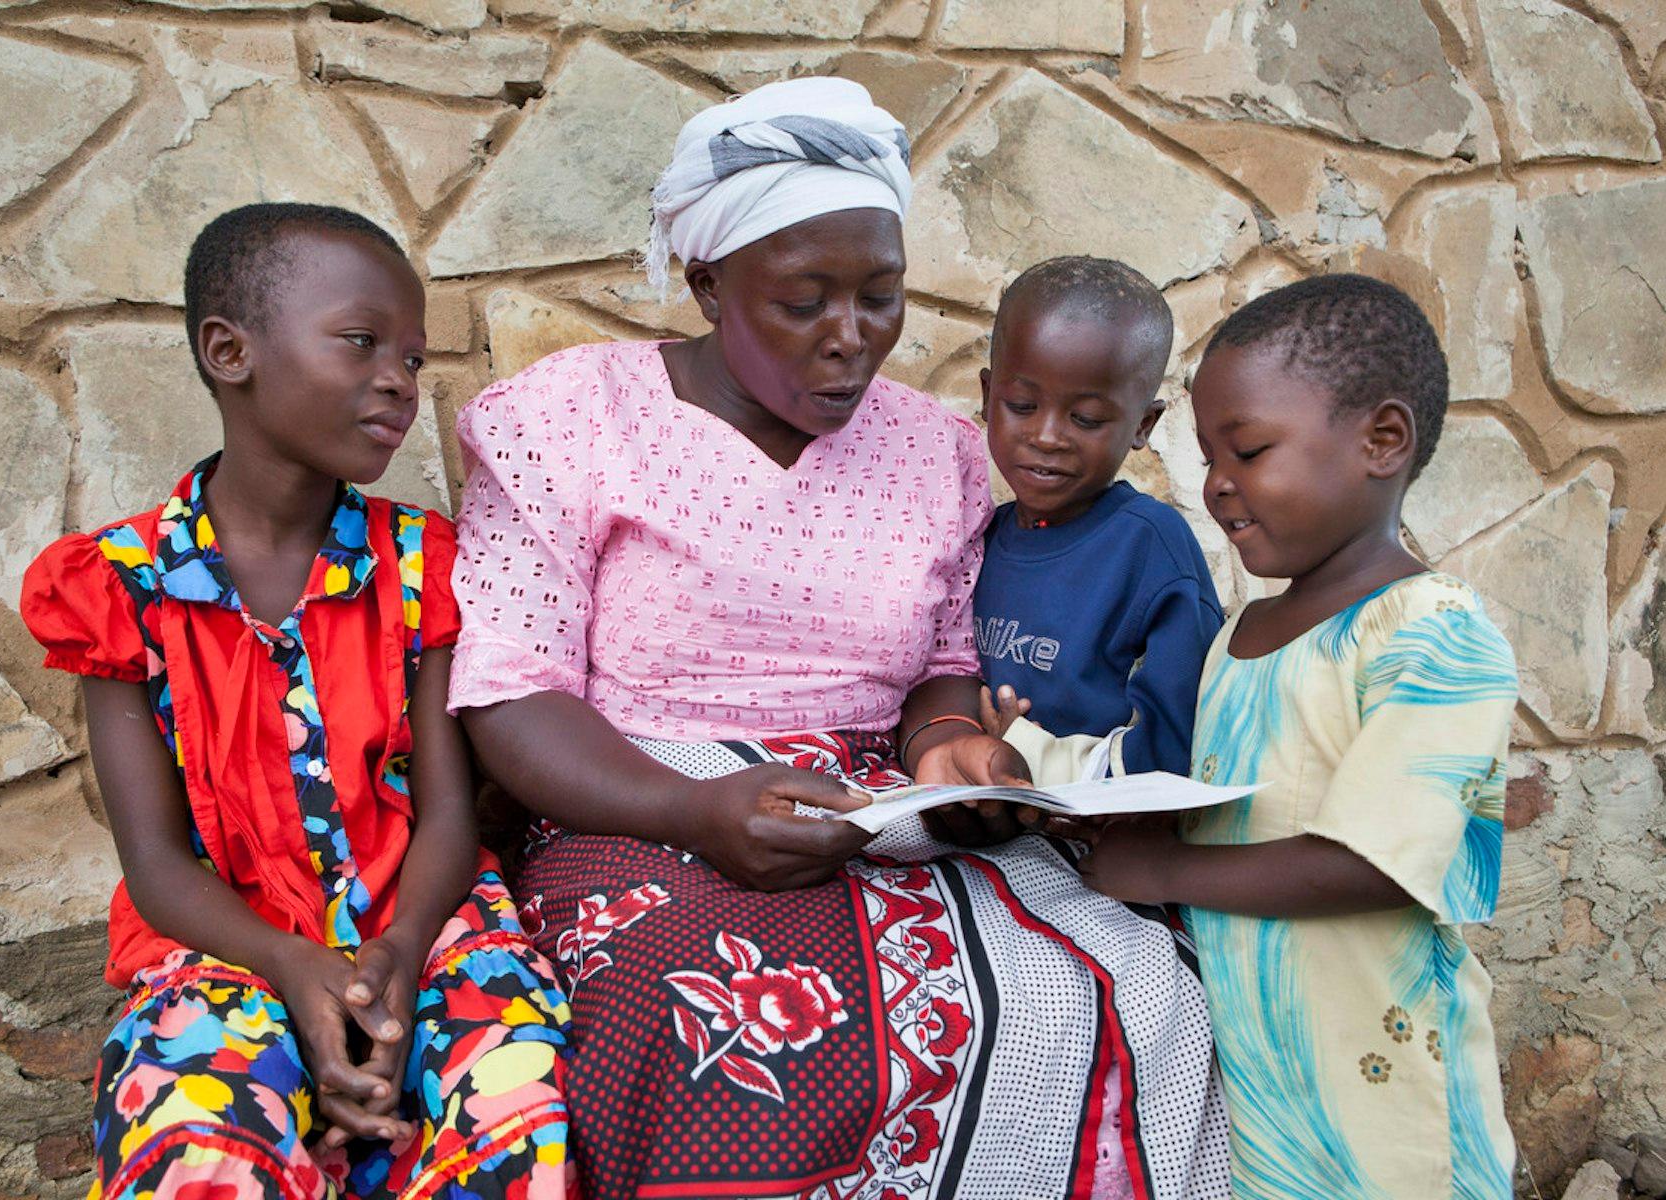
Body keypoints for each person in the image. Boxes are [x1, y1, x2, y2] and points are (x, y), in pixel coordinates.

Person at [449, 78, 1229, 1200]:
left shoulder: (937, 449)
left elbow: (943, 668)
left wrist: (949, 746)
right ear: (710, 282)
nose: (851, 339)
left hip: (879, 812)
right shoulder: (568, 420)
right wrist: (694, 810)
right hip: (634, 804)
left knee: (1128, 980)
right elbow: (511, 701)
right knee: (723, 1025)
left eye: (881, 296)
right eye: (805, 300)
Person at [20, 203, 574, 1200]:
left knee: (510, 1103)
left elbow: (448, 813)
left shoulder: (421, 565)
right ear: (231, 352)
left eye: (411, 357)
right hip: (226, 945)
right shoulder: (120, 585)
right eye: (363, 343)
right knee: (192, 1128)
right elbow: (153, 863)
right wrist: (292, 967)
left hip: (428, 928)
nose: (400, 381)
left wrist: (397, 953)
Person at [1078, 274, 1519, 1198]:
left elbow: (1373, 862)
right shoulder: (1239, 637)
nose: (1218, 485)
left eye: (1248, 450)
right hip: (1264, 1090)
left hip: (1391, 1102)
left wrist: (1163, 872)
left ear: (1381, 441)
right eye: (1208, 456)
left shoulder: (1432, 630)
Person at [971, 256, 1222, 783]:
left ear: (1142, 424)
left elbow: (1176, 745)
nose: (1047, 436)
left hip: (1096, 833)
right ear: (987, 396)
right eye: (1020, 405)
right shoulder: (980, 537)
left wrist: (1028, 752)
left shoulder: (1150, 549)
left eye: (1085, 418)